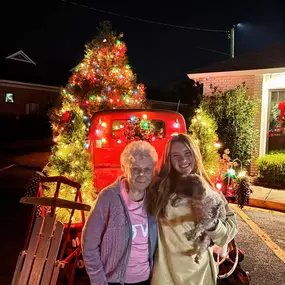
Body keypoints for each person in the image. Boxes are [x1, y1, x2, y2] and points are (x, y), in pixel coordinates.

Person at [147, 134, 237, 285]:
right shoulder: (159, 189)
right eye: (176, 155)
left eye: (187, 153)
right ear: (169, 159)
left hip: (200, 273)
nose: (183, 160)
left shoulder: (209, 190)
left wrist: (212, 225)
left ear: (195, 154)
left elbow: (229, 231)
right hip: (166, 272)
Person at [82, 140, 158, 285]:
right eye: (135, 169)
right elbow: (89, 244)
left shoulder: (154, 197)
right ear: (124, 168)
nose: (142, 174)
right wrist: (99, 281)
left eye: (147, 169)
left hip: (147, 280)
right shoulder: (109, 197)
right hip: (114, 281)